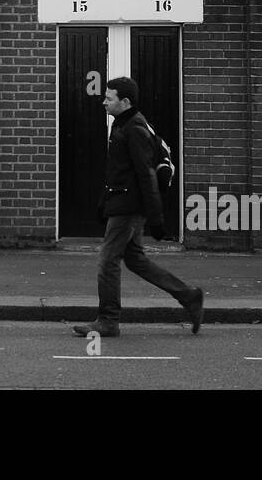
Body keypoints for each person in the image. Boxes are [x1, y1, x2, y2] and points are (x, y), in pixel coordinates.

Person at [73, 76, 203, 337]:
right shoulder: (122, 124)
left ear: (125, 101)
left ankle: (108, 320)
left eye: (109, 98)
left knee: (108, 261)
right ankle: (189, 297)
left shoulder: (134, 129)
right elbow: (119, 172)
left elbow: (146, 175)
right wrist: (103, 202)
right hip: (122, 203)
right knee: (135, 261)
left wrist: (156, 218)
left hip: (129, 208)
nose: (103, 102)